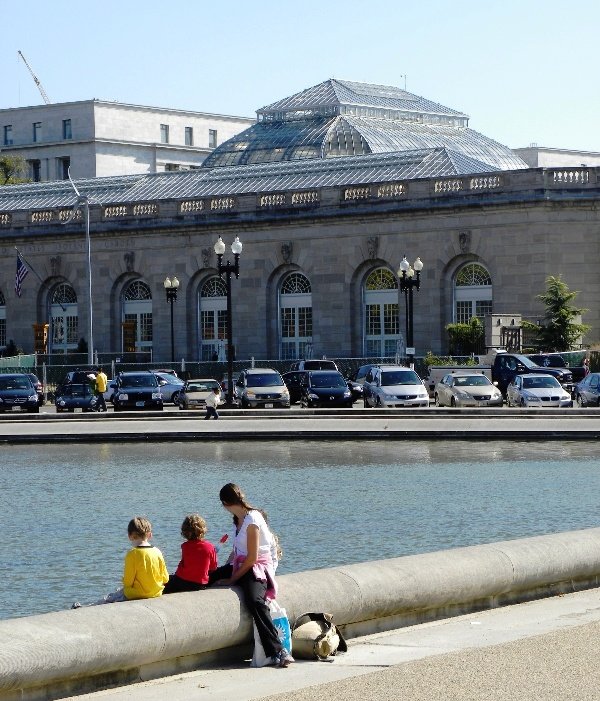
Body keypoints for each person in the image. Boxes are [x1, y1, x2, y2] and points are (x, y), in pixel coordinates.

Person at [214, 483, 293, 668]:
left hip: (256, 567)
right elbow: (238, 551)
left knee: (255, 601)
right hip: (241, 564)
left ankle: (279, 650)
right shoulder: (238, 520)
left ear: (225, 503)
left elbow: (252, 558)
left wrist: (231, 579)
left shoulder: (252, 519)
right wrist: (225, 569)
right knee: (208, 577)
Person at [72, 516, 168, 607]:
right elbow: (165, 578)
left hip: (137, 594)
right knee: (118, 593)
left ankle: (85, 607)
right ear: (150, 535)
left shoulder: (132, 554)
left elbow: (128, 582)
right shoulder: (157, 551)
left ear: (129, 536)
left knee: (111, 597)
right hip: (156, 592)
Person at [163, 514, 218, 594]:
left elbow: (185, 565)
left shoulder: (185, 546)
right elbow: (213, 568)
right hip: (199, 584)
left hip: (182, 581)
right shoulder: (210, 547)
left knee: (165, 582)